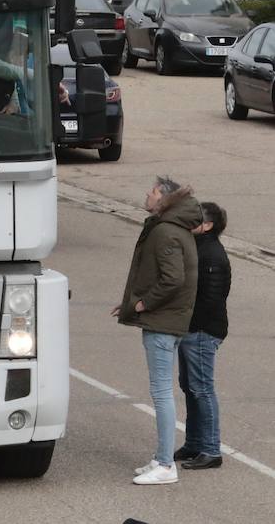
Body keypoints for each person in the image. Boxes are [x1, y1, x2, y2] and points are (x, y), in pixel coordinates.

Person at [113, 176, 202, 485]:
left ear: (164, 199)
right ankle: (160, 458)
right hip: (167, 320)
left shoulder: (164, 231)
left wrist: (142, 304)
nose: (146, 195)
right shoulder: (172, 228)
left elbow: (173, 279)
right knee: (161, 391)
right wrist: (127, 305)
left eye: (151, 192)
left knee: (161, 393)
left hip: (162, 322)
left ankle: (166, 464)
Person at [176, 201, 231, 470]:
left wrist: (189, 326)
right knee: (190, 387)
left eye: (195, 218)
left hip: (201, 331)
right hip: (193, 329)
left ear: (207, 225)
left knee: (201, 389)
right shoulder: (199, 247)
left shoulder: (211, 254)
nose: (189, 221)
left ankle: (210, 449)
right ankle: (195, 443)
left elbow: (210, 298)